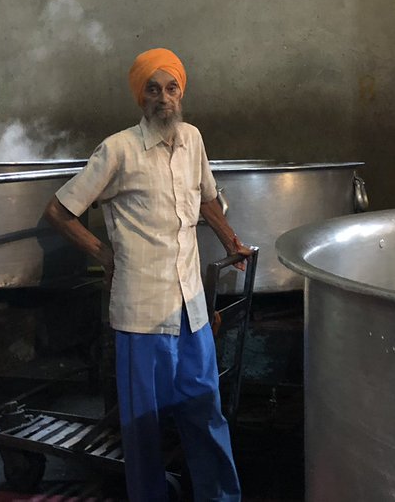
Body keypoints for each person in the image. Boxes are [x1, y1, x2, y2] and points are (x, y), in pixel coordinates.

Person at [44, 47, 252, 502]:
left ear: (182, 93)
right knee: (144, 426)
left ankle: (220, 497)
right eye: (152, 90)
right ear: (141, 99)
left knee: (205, 411)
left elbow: (206, 199)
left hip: (191, 308)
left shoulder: (192, 139)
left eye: (171, 88)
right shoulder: (118, 150)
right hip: (142, 314)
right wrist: (104, 252)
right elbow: (59, 211)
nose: (164, 98)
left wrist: (231, 240)